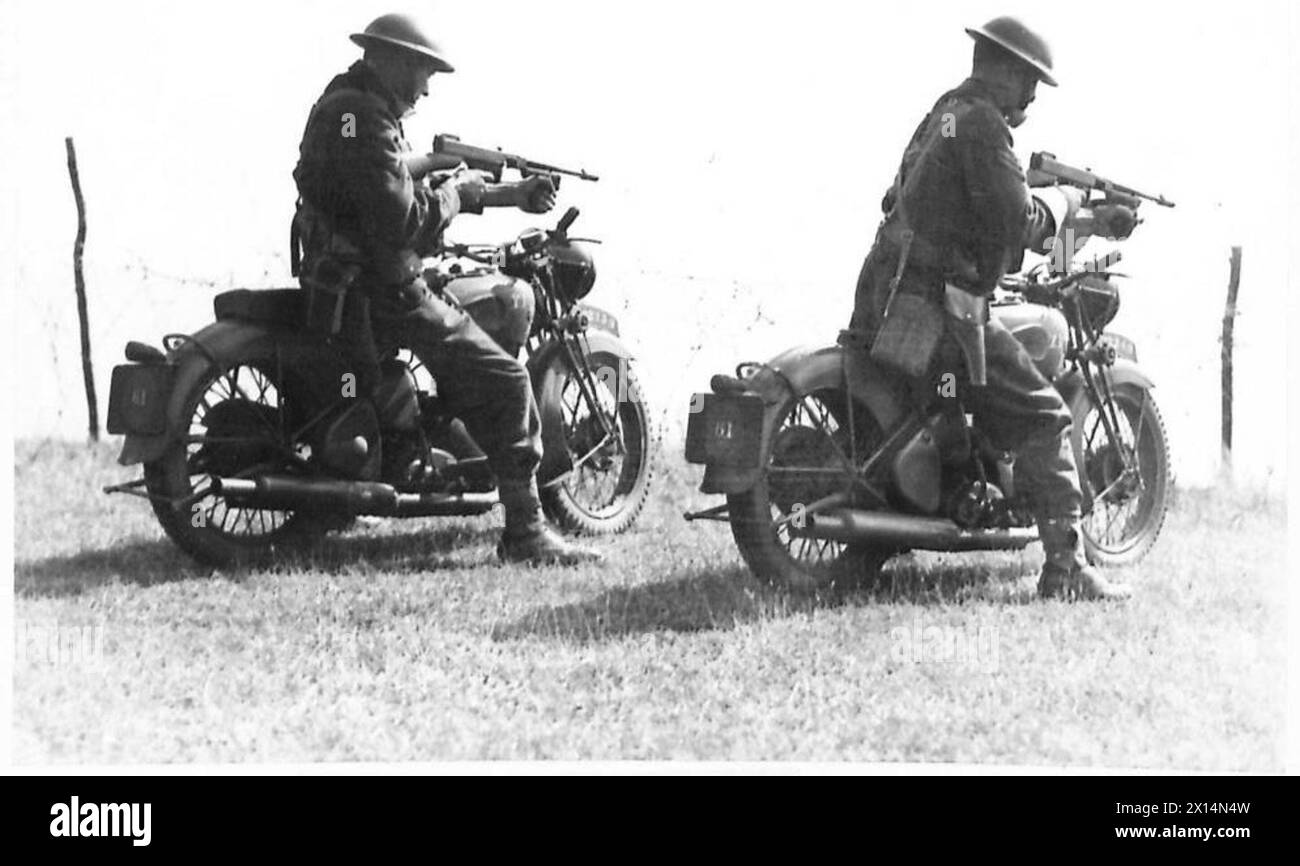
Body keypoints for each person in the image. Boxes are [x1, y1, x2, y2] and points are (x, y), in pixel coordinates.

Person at [292, 13, 600, 566]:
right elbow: (404, 221)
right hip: (380, 287)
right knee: (507, 381)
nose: (426, 87)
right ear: (393, 62)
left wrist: (506, 194)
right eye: (422, 72)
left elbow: (389, 182)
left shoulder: (343, 105)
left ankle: (435, 444)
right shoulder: (364, 116)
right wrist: (457, 194)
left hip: (340, 280)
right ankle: (526, 530)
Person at [848, 16, 1137, 600]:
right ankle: (1066, 570)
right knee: (1045, 415)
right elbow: (1017, 221)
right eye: (1029, 79)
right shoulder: (983, 125)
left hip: (888, 292)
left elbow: (947, 204)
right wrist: (1063, 200)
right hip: (937, 308)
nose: (1031, 94)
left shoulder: (946, 114)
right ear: (1003, 69)